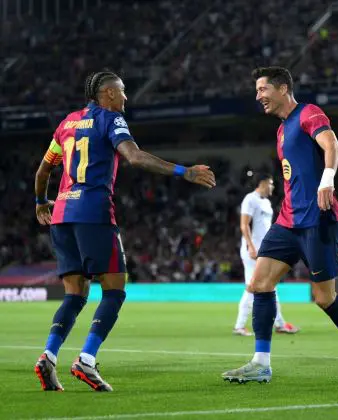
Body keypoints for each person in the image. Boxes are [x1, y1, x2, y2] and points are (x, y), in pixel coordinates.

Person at [34, 70, 215, 392]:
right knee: (115, 289)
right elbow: (134, 157)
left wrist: (39, 202)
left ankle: (48, 355)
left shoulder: (67, 124)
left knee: (75, 294)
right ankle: (86, 360)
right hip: (93, 212)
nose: (126, 98)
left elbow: (45, 168)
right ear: (107, 94)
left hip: (61, 213)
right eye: (122, 92)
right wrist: (183, 171)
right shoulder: (110, 119)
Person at [222, 67, 338, 384]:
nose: (258, 96)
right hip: (288, 219)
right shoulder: (281, 131)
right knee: (259, 284)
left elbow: (333, 146)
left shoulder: (309, 113)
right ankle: (261, 363)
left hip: (318, 219)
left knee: (324, 298)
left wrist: (328, 181)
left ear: (282, 88)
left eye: (262, 89)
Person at [233, 173, 299, 336]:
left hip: (265, 251)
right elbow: (244, 225)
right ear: (262, 183)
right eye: (270, 183)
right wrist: (251, 246)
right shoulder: (250, 199)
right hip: (253, 251)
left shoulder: (266, 203)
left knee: (268, 285)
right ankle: (240, 326)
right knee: (253, 286)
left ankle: (280, 324)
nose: (272, 186)